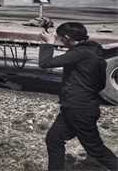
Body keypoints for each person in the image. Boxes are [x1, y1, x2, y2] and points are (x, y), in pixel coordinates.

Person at [39, 22, 117, 171]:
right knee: (54, 139)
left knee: (96, 150)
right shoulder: (95, 51)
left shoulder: (80, 53)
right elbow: (100, 85)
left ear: (67, 38)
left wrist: (49, 43)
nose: (60, 42)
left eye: (61, 39)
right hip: (79, 107)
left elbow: (45, 63)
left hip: (79, 110)